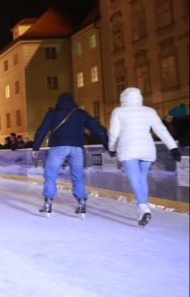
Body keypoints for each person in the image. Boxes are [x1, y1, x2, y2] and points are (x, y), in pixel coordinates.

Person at [108, 87, 181, 227]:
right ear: (139, 97)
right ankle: (142, 210)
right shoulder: (149, 111)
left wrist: (111, 148)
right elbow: (161, 130)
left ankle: (143, 207)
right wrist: (173, 147)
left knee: (135, 179)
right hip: (147, 149)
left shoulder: (118, 111)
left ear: (123, 98)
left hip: (128, 148)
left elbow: (113, 134)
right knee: (142, 179)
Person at [31, 93, 109, 218]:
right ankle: (81, 203)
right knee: (77, 177)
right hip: (77, 148)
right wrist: (107, 145)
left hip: (58, 147)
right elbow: (97, 129)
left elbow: (42, 130)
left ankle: (48, 203)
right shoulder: (80, 113)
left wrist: (36, 147)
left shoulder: (52, 114)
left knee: (50, 175)